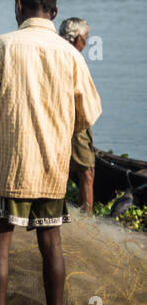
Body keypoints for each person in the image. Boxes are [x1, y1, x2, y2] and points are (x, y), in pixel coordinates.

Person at [0, 0, 102, 305]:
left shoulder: (1, 46)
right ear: (55, 13)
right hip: (52, 167)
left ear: (18, 6)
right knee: (52, 244)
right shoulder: (71, 54)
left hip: (10, 166)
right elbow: (87, 113)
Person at [59, 17, 97, 213]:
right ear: (77, 38)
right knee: (87, 173)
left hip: (61, 121)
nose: (86, 43)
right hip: (74, 122)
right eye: (86, 38)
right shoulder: (73, 57)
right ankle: (86, 220)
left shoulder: (55, 52)